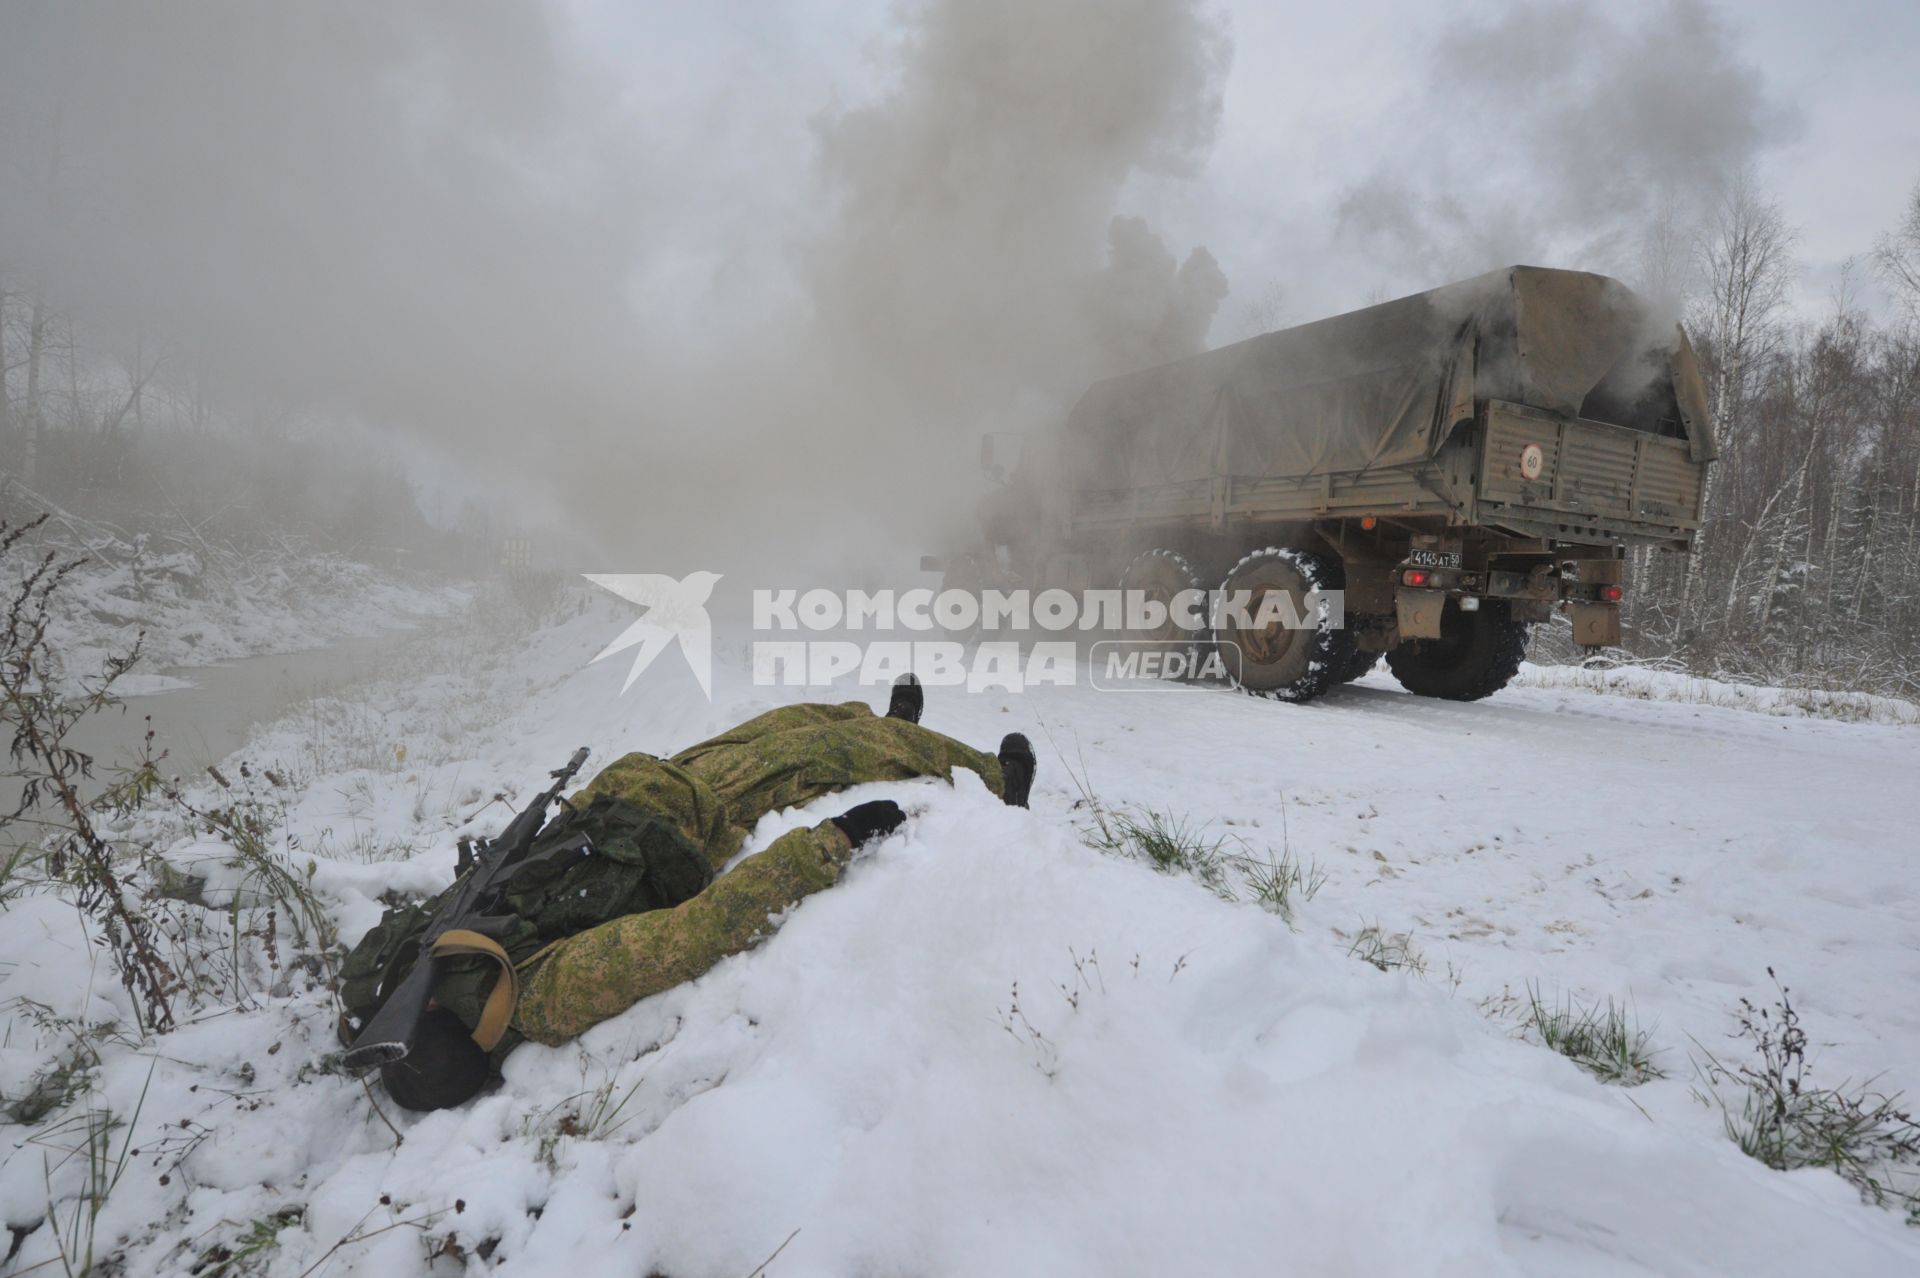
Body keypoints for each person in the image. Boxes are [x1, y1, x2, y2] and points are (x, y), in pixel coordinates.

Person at [349, 676, 1035, 1110]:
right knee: (825, 751)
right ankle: (999, 785)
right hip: (686, 814)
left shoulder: (441, 960)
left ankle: (898, 735)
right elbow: (694, 935)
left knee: (803, 716)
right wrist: (832, 843)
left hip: (635, 793)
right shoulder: (543, 993)